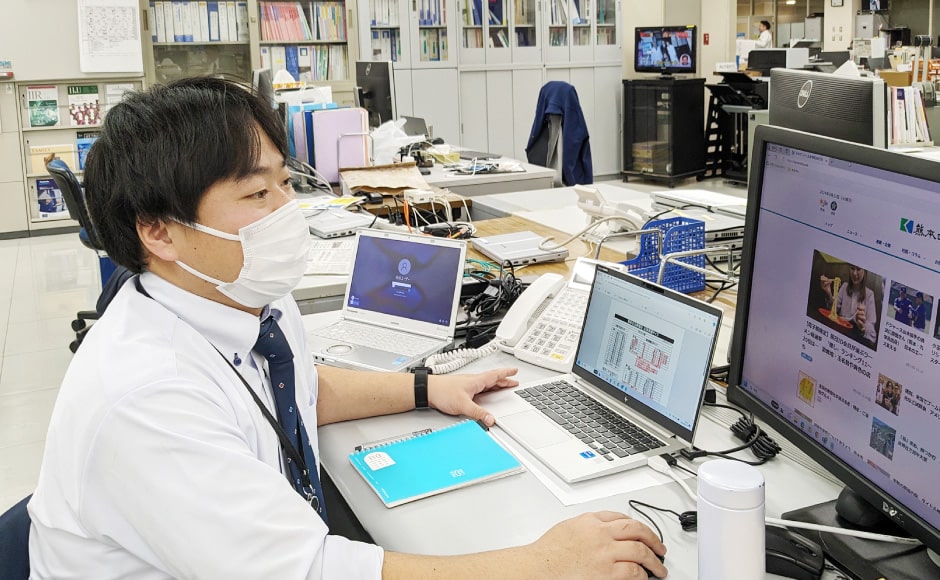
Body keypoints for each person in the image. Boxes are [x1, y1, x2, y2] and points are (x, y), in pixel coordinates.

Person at [27, 77, 668, 579]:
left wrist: (426, 388)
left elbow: (299, 388)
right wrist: (541, 566)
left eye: (286, 183)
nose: (288, 211)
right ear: (158, 231)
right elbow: (309, 572)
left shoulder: (239, 300)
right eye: (257, 195)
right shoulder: (148, 398)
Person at [820, 264, 878, 344]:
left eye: (858, 269)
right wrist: (829, 293)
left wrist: (863, 327)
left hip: (856, 336)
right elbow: (833, 310)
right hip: (839, 329)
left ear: (865, 271)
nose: (854, 273)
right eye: (852, 268)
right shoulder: (844, 286)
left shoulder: (869, 294)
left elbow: (872, 331)